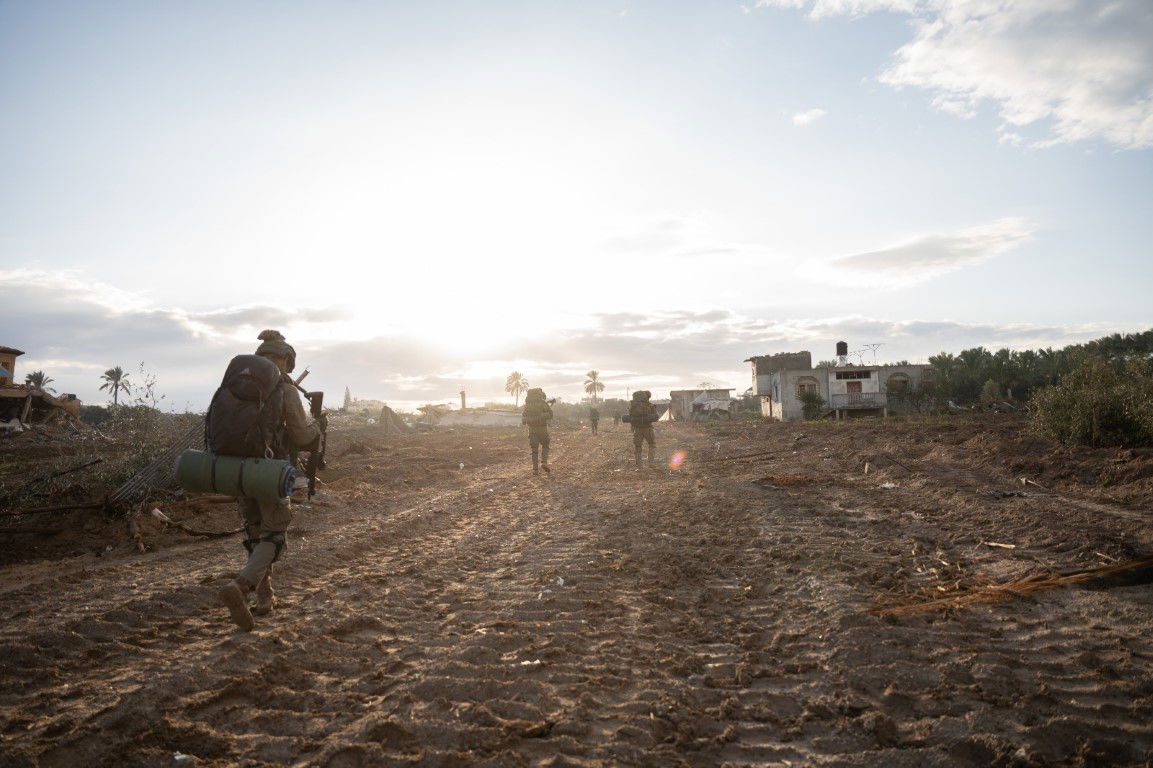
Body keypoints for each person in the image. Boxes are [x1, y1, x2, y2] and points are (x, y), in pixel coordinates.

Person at [217, 330, 324, 631]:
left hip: (234, 469)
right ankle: (241, 586)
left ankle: (265, 596)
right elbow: (302, 436)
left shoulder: (235, 386)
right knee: (274, 535)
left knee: (254, 533)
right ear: (287, 360)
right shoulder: (285, 389)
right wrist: (318, 426)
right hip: (268, 471)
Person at [522, 387, 553, 475]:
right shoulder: (543, 404)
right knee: (546, 445)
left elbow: (524, 420)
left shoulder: (527, 406)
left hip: (532, 429)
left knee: (534, 450)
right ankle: (544, 462)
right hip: (542, 428)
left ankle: (535, 470)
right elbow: (550, 414)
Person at [627, 390, 658, 469]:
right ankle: (651, 463)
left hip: (637, 429)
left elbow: (631, 417)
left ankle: (639, 465)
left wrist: (633, 426)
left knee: (638, 447)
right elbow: (655, 417)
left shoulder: (633, 406)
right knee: (652, 445)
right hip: (648, 428)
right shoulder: (650, 405)